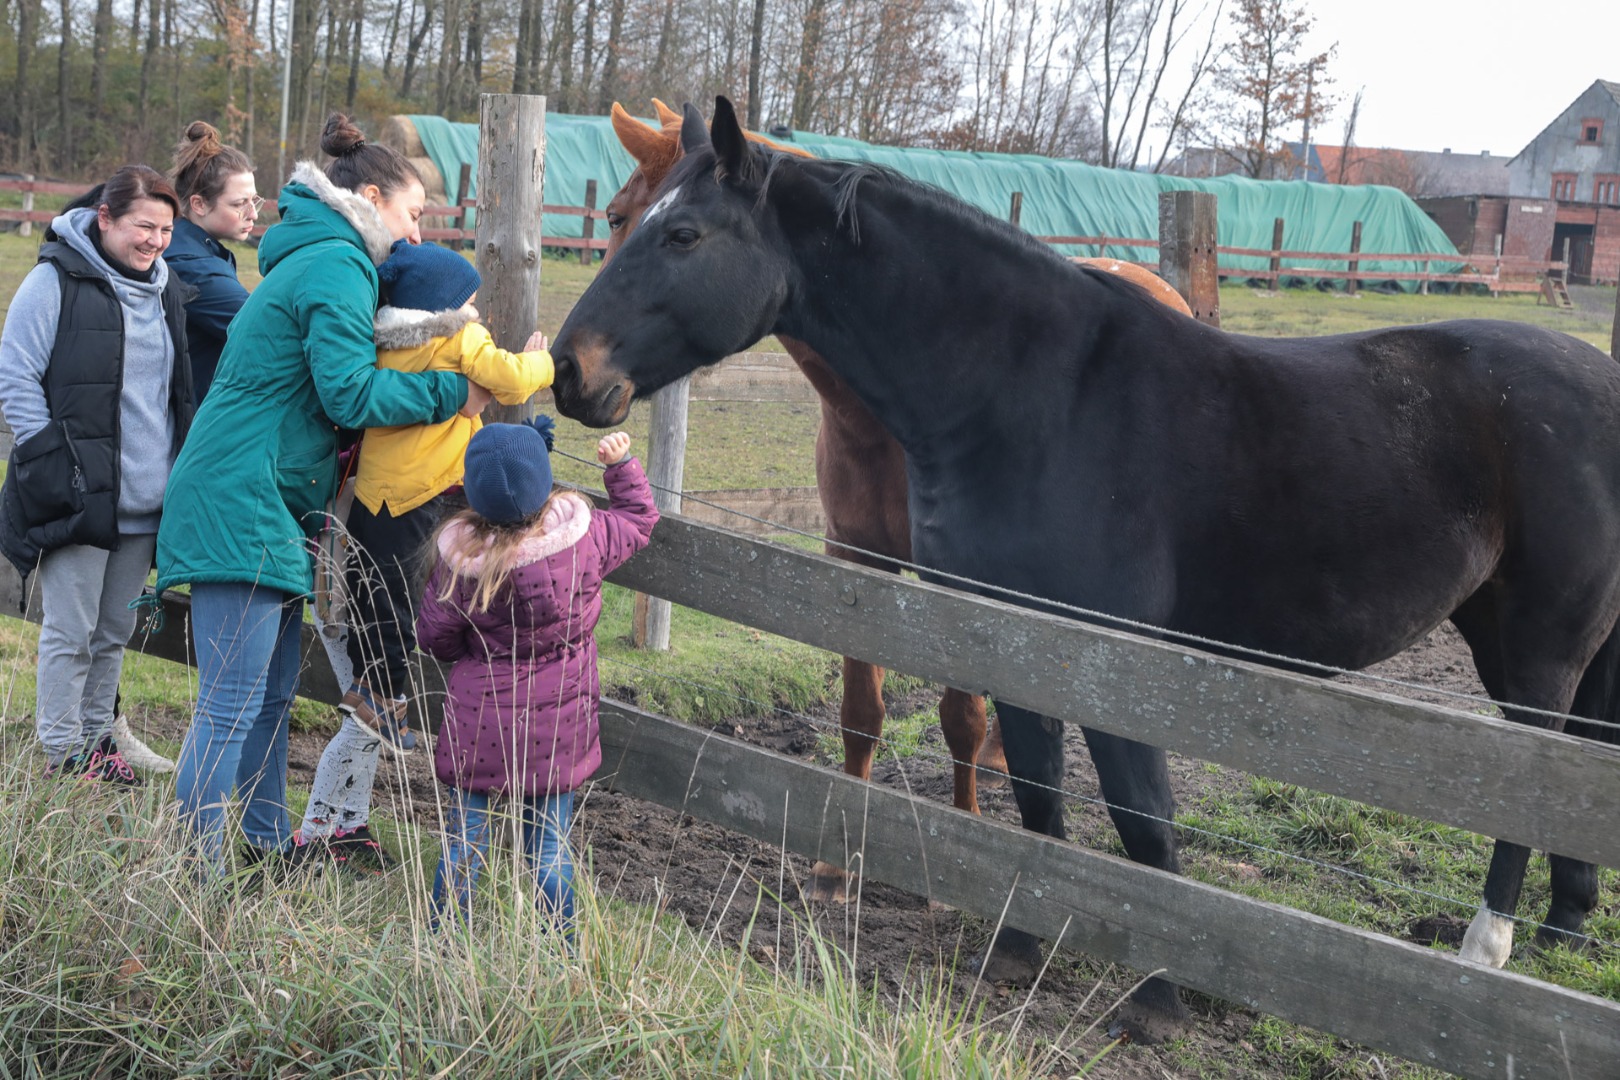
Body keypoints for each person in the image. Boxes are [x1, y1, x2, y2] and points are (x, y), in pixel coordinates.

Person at [159, 113, 496, 873]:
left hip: (268, 499)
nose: (415, 237)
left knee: (273, 696)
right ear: (372, 197)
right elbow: (348, 394)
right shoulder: (336, 266)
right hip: (238, 494)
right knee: (233, 701)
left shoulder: (324, 259)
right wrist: (456, 394)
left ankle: (266, 845)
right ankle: (189, 873)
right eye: (412, 216)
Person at [297, 239, 553, 870]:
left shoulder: (381, 343)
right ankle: (378, 701)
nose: (476, 306)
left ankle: (372, 703)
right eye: (468, 297)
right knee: (407, 609)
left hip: (375, 497)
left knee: (378, 597)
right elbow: (511, 379)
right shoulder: (460, 339)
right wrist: (541, 363)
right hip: (424, 498)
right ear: (445, 305)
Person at [417, 422, 658, 932]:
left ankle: (443, 944)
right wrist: (619, 466)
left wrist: (478, 656)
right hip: (559, 727)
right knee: (548, 845)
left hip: (479, 722)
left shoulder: (463, 562)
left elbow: (435, 636)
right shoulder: (583, 540)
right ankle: (560, 949)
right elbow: (639, 520)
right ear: (543, 482)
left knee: (464, 841)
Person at [0, 165, 194, 784]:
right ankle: (61, 754)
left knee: (113, 630)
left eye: (165, 230)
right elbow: (17, 377)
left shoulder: (167, 289)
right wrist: (55, 465)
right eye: (144, 226)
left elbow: (170, 393)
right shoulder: (54, 280)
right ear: (106, 218)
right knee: (71, 630)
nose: (155, 241)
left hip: (143, 499)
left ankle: (94, 742)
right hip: (78, 494)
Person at [94, 121, 263, 778]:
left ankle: (100, 730)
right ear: (197, 206)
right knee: (101, 608)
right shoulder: (191, 263)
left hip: (161, 448)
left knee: (113, 608)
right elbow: (262, 329)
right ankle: (92, 734)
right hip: (149, 453)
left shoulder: (203, 254)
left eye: (255, 200)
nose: (254, 212)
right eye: (239, 203)